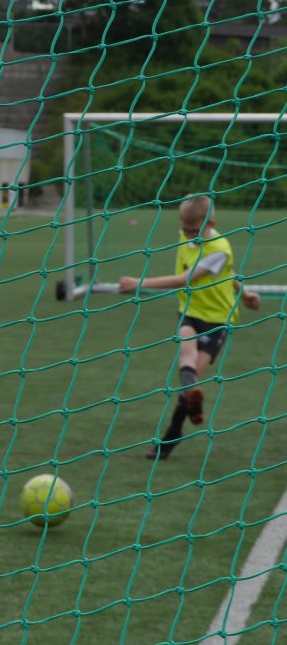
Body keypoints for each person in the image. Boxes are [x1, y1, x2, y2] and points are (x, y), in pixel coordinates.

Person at [119, 195, 260, 460]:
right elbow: (228, 274)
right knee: (186, 353)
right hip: (190, 312)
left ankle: (175, 430)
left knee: (195, 372)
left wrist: (138, 283)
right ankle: (186, 409)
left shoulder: (219, 249)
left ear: (211, 224)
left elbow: (186, 279)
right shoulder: (189, 233)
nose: (187, 235)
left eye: (193, 231)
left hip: (218, 320)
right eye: (184, 229)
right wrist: (246, 292)